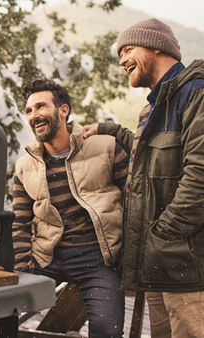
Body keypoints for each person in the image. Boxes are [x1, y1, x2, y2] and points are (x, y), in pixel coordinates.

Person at [83, 18, 204, 338]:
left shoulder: (197, 92)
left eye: (128, 49)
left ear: (157, 47)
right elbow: (146, 155)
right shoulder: (152, 109)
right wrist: (107, 130)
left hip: (188, 271)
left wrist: (164, 233)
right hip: (158, 267)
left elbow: (201, 175)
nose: (121, 59)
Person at [12, 78, 129, 338]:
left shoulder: (106, 146)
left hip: (98, 260)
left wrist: (126, 255)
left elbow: (135, 200)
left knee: (107, 331)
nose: (34, 116)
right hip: (47, 258)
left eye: (41, 106)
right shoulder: (24, 166)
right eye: (29, 110)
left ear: (63, 110)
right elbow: (19, 221)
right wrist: (23, 267)